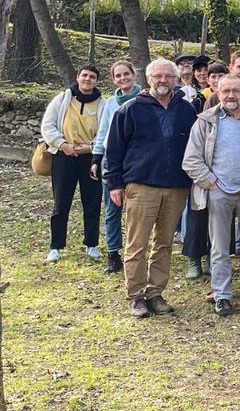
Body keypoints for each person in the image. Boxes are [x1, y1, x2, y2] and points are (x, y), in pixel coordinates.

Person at [104, 58, 197, 318]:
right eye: (157, 76)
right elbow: (114, 149)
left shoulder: (186, 110)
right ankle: (135, 296)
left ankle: (155, 293)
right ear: (148, 78)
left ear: (176, 79)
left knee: (164, 243)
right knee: (137, 244)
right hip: (141, 185)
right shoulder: (131, 109)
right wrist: (115, 183)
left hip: (176, 187)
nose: (163, 80)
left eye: (168, 76)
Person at [182, 74, 240, 316]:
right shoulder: (205, 122)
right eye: (225, 91)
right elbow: (191, 160)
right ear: (217, 93)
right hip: (217, 190)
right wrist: (210, 182)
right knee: (220, 246)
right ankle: (222, 294)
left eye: (236, 91)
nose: (231, 95)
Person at [41, 65, 106, 263]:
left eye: (92, 77)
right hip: (64, 157)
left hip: (91, 158)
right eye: (84, 75)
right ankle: (56, 246)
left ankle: (92, 244)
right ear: (78, 77)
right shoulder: (62, 99)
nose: (87, 79)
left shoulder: (103, 104)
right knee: (61, 203)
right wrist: (63, 144)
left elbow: (106, 131)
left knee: (92, 202)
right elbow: (48, 126)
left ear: (96, 81)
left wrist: (91, 147)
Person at [92, 60, 141, 273]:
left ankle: (134, 251)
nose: (123, 78)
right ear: (113, 79)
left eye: (126, 74)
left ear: (134, 75)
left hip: (137, 161)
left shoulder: (144, 99)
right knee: (112, 209)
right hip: (112, 161)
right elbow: (103, 132)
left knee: (136, 210)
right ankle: (113, 253)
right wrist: (96, 159)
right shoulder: (110, 102)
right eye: (118, 76)